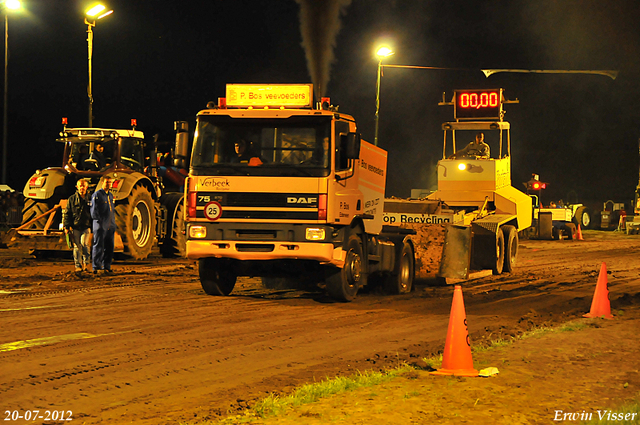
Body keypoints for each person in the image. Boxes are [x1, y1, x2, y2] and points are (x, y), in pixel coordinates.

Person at [63, 179, 93, 273]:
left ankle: (86, 264)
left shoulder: (91, 199)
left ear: (86, 187)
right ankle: (78, 266)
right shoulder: (72, 199)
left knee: (84, 244)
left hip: (86, 226)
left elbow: (94, 214)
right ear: (77, 187)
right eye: (80, 186)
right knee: (77, 247)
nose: (82, 188)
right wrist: (66, 227)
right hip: (75, 227)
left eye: (83, 186)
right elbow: (67, 213)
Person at [91, 176, 116, 274]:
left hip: (110, 225)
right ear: (102, 183)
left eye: (110, 182)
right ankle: (96, 267)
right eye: (107, 182)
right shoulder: (97, 195)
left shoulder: (110, 195)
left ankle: (107, 266)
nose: (109, 184)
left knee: (110, 246)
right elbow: (94, 211)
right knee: (99, 246)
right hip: (100, 225)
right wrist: (99, 222)